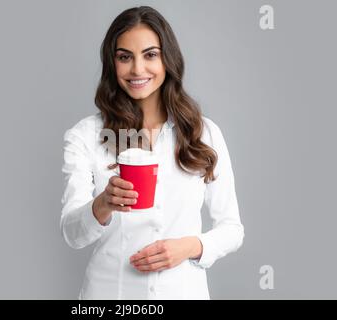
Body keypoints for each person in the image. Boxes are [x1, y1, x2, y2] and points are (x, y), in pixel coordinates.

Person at [60, 6, 244, 300]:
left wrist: (190, 246)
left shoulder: (204, 133)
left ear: (167, 59)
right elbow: (72, 234)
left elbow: (232, 229)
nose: (137, 70)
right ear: (112, 63)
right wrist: (103, 204)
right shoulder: (85, 136)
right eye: (124, 57)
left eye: (150, 55)